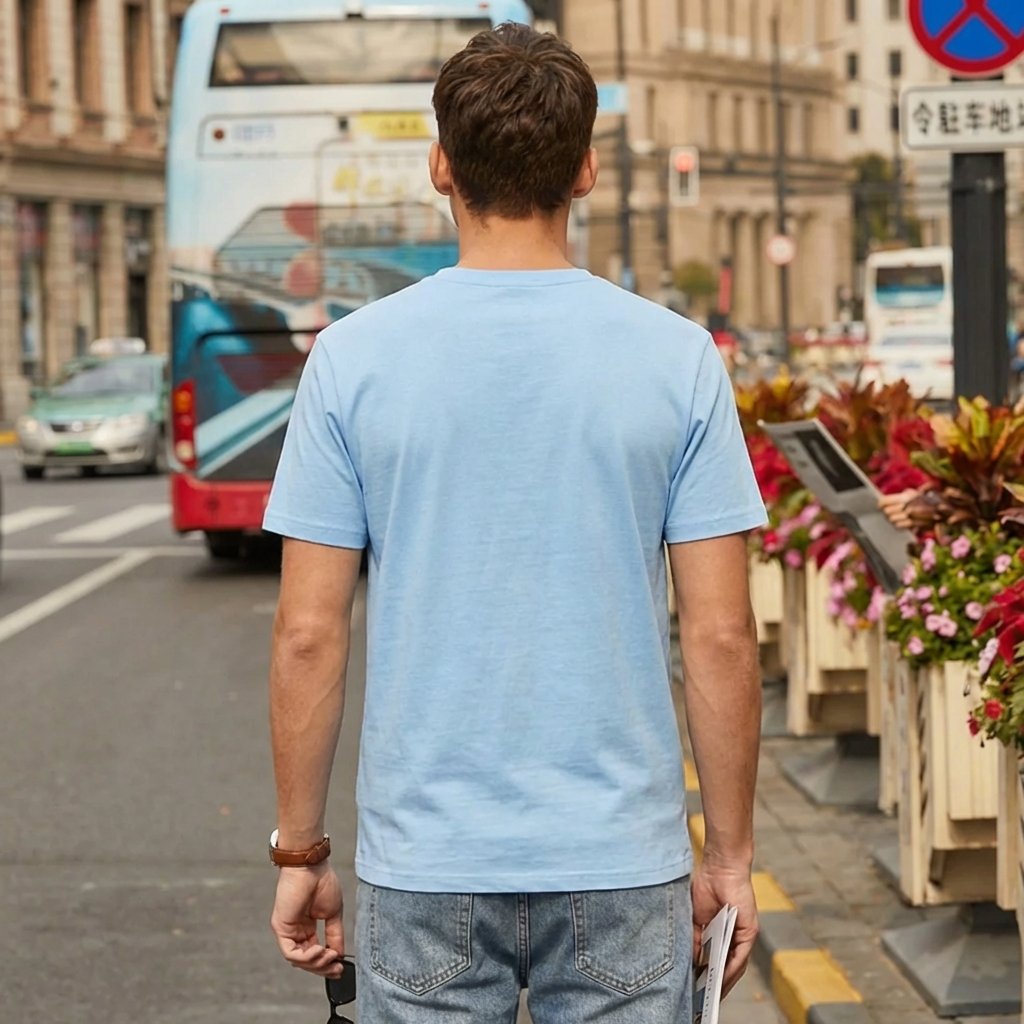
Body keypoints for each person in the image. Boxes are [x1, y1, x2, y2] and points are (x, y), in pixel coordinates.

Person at [263, 23, 766, 1023]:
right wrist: (730, 857)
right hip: (623, 861)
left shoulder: (353, 359)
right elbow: (718, 634)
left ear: (441, 167)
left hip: (427, 861)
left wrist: (301, 849)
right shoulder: (676, 359)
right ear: (584, 170)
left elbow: (308, 633)